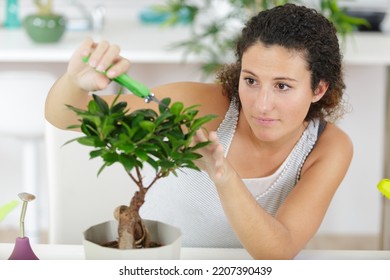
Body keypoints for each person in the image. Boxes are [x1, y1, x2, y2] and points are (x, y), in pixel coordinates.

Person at [45, 4, 353, 259]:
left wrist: (224, 176)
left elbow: (277, 252)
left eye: (283, 86)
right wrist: (74, 82)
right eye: (251, 80)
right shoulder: (201, 106)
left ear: (318, 88)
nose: (261, 104)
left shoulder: (327, 147)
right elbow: (67, 117)